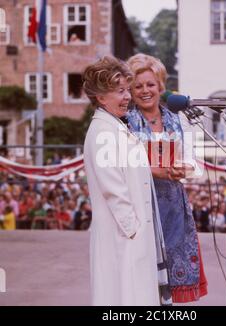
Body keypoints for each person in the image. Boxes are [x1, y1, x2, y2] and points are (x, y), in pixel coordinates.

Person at [82, 55, 169, 306]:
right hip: (123, 236)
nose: (127, 97)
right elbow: (113, 190)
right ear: (101, 96)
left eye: (125, 90)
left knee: (133, 298)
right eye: (120, 91)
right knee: (123, 299)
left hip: (130, 235)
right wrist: (134, 230)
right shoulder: (102, 132)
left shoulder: (114, 126)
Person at [126, 53, 208, 302]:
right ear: (130, 90)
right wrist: (155, 170)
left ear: (161, 85)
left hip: (173, 206)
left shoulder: (177, 119)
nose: (145, 90)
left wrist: (185, 167)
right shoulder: (125, 122)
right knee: (145, 279)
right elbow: (122, 166)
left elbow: (193, 160)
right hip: (143, 206)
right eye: (137, 86)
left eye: (150, 84)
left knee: (172, 284)